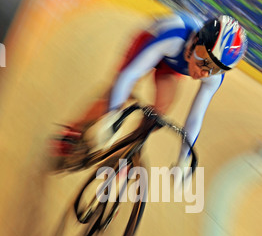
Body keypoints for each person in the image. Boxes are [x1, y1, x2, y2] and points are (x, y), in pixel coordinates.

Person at [53, 11, 247, 169]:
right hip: (149, 43)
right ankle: (73, 132)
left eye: (216, 69)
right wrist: (112, 116)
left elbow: (196, 116)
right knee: (119, 94)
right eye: (204, 60)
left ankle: (123, 156)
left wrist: (183, 160)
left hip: (172, 65)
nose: (205, 73)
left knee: (158, 113)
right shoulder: (175, 35)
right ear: (196, 41)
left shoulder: (212, 74)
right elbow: (129, 75)